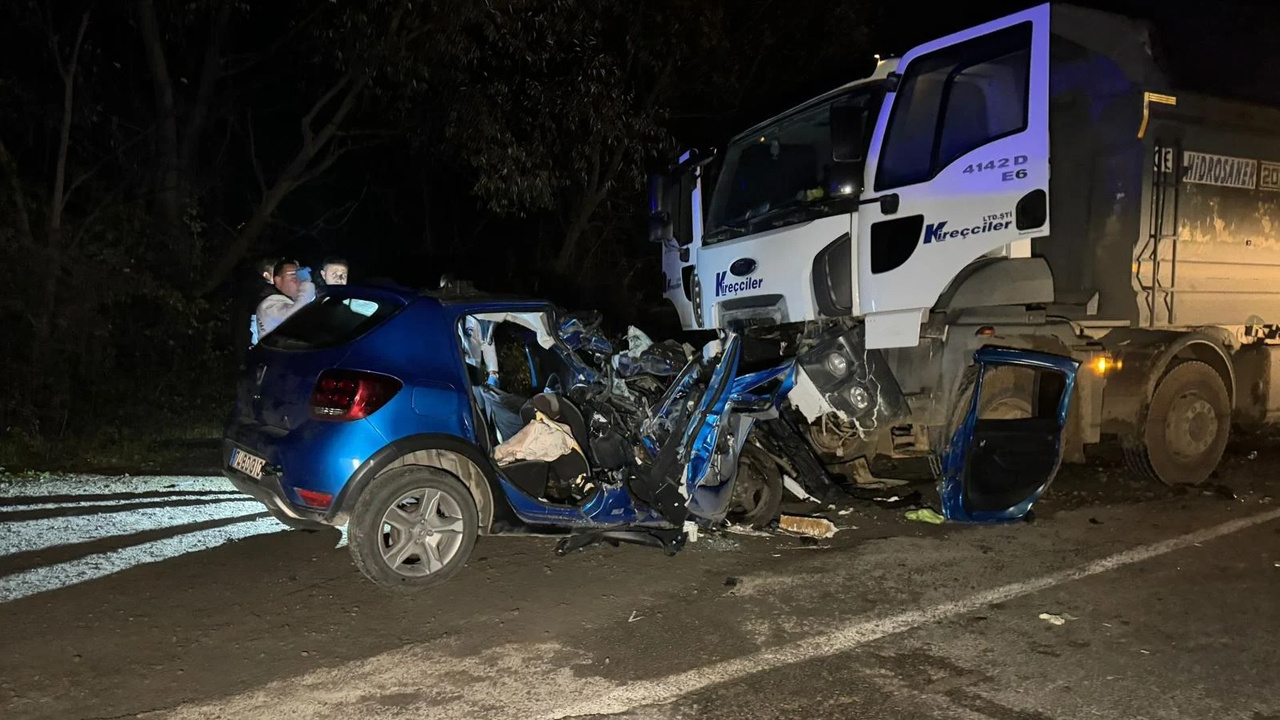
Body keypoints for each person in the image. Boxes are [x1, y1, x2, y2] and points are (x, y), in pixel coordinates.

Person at [256, 260, 316, 340]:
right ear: (278, 280)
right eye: (293, 276)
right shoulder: (269, 304)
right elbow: (294, 314)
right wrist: (307, 282)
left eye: (300, 277)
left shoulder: (290, 302)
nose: (299, 282)